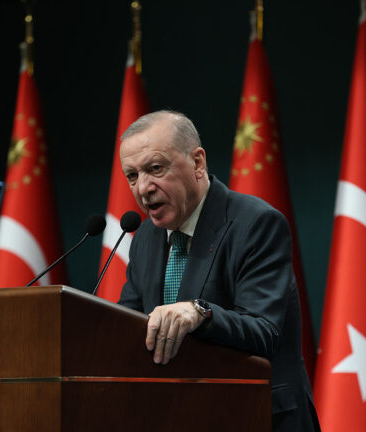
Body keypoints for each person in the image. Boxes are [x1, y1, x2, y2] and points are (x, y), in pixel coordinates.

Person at [117, 110, 320, 432]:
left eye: (155, 169)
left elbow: (264, 331)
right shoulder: (145, 237)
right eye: (132, 175)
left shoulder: (255, 224)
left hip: (259, 418)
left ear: (197, 163)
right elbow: (126, 324)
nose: (143, 188)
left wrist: (199, 312)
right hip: (181, 417)